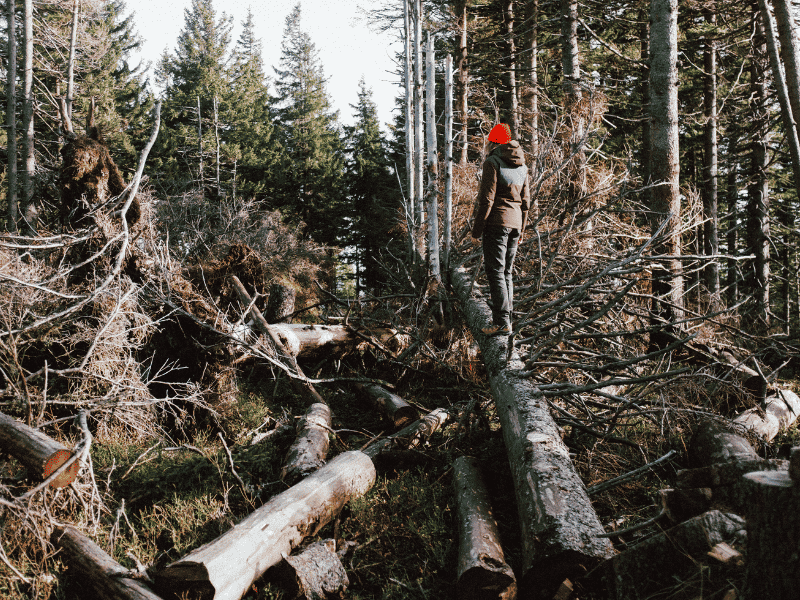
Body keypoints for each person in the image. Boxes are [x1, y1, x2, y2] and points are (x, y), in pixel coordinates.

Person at [471, 123, 530, 336]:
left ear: (493, 141)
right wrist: (521, 230)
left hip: (497, 223)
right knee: (507, 272)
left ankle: (502, 322)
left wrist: (477, 231)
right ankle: (507, 320)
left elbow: (486, 200)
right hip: (515, 224)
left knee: (495, 271)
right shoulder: (522, 166)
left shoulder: (492, 162)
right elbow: (526, 202)